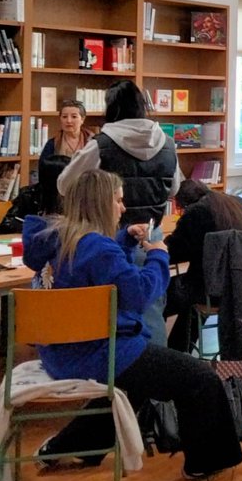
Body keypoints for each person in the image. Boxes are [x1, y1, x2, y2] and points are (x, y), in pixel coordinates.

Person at [22, 169, 242, 481]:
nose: (123, 209)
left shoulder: (56, 239)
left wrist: (124, 240)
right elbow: (138, 294)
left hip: (60, 351)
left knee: (134, 383)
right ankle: (207, 460)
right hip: (98, 353)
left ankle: (68, 446)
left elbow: (104, 271)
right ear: (101, 204)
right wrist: (157, 256)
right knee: (200, 378)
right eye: (118, 201)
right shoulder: (97, 249)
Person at [58, 79, 182, 345]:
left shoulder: (101, 144)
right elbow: (173, 188)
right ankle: (154, 369)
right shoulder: (168, 143)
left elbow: (65, 184)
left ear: (110, 108)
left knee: (108, 309)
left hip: (109, 234)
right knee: (151, 305)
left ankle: (117, 373)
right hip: (151, 233)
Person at [163, 180, 242, 353]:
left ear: (185, 204)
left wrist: (157, 247)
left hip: (216, 292)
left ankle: (172, 352)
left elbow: (174, 253)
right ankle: (178, 350)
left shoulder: (197, 212)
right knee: (193, 289)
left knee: (165, 291)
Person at [37, 99, 93, 214]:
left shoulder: (93, 142)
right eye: (64, 117)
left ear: (82, 119)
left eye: (74, 116)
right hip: (57, 196)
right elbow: (43, 171)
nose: (68, 121)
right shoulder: (53, 143)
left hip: (88, 194)